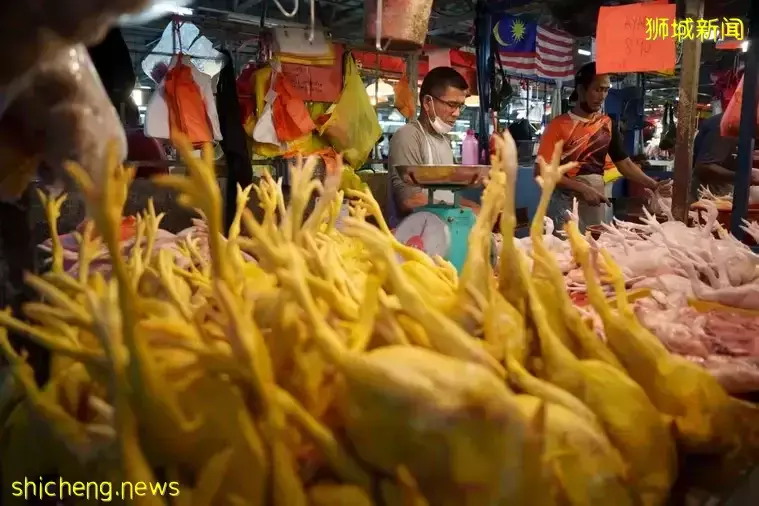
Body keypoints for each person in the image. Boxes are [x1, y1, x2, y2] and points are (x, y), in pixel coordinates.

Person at [537, 62, 668, 231]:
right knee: (564, 251)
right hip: (564, 202)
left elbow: (624, 163)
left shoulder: (606, 124)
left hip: (595, 200)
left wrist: (653, 185)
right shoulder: (558, 125)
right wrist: (581, 188)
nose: (602, 96)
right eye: (597, 89)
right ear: (581, 90)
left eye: (606, 90)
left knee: (593, 248)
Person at [388, 66, 479, 226]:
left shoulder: (445, 141)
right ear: (427, 102)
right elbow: (410, 201)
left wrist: (478, 209)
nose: (457, 113)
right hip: (414, 238)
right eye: (451, 104)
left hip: (444, 232)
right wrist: (466, 212)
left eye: (460, 106)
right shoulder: (408, 136)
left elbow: (448, 196)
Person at [691, 111, 759, 199]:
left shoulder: (744, 126)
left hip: (725, 193)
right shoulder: (727, 124)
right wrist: (747, 176)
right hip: (704, 196)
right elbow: (704, 166)